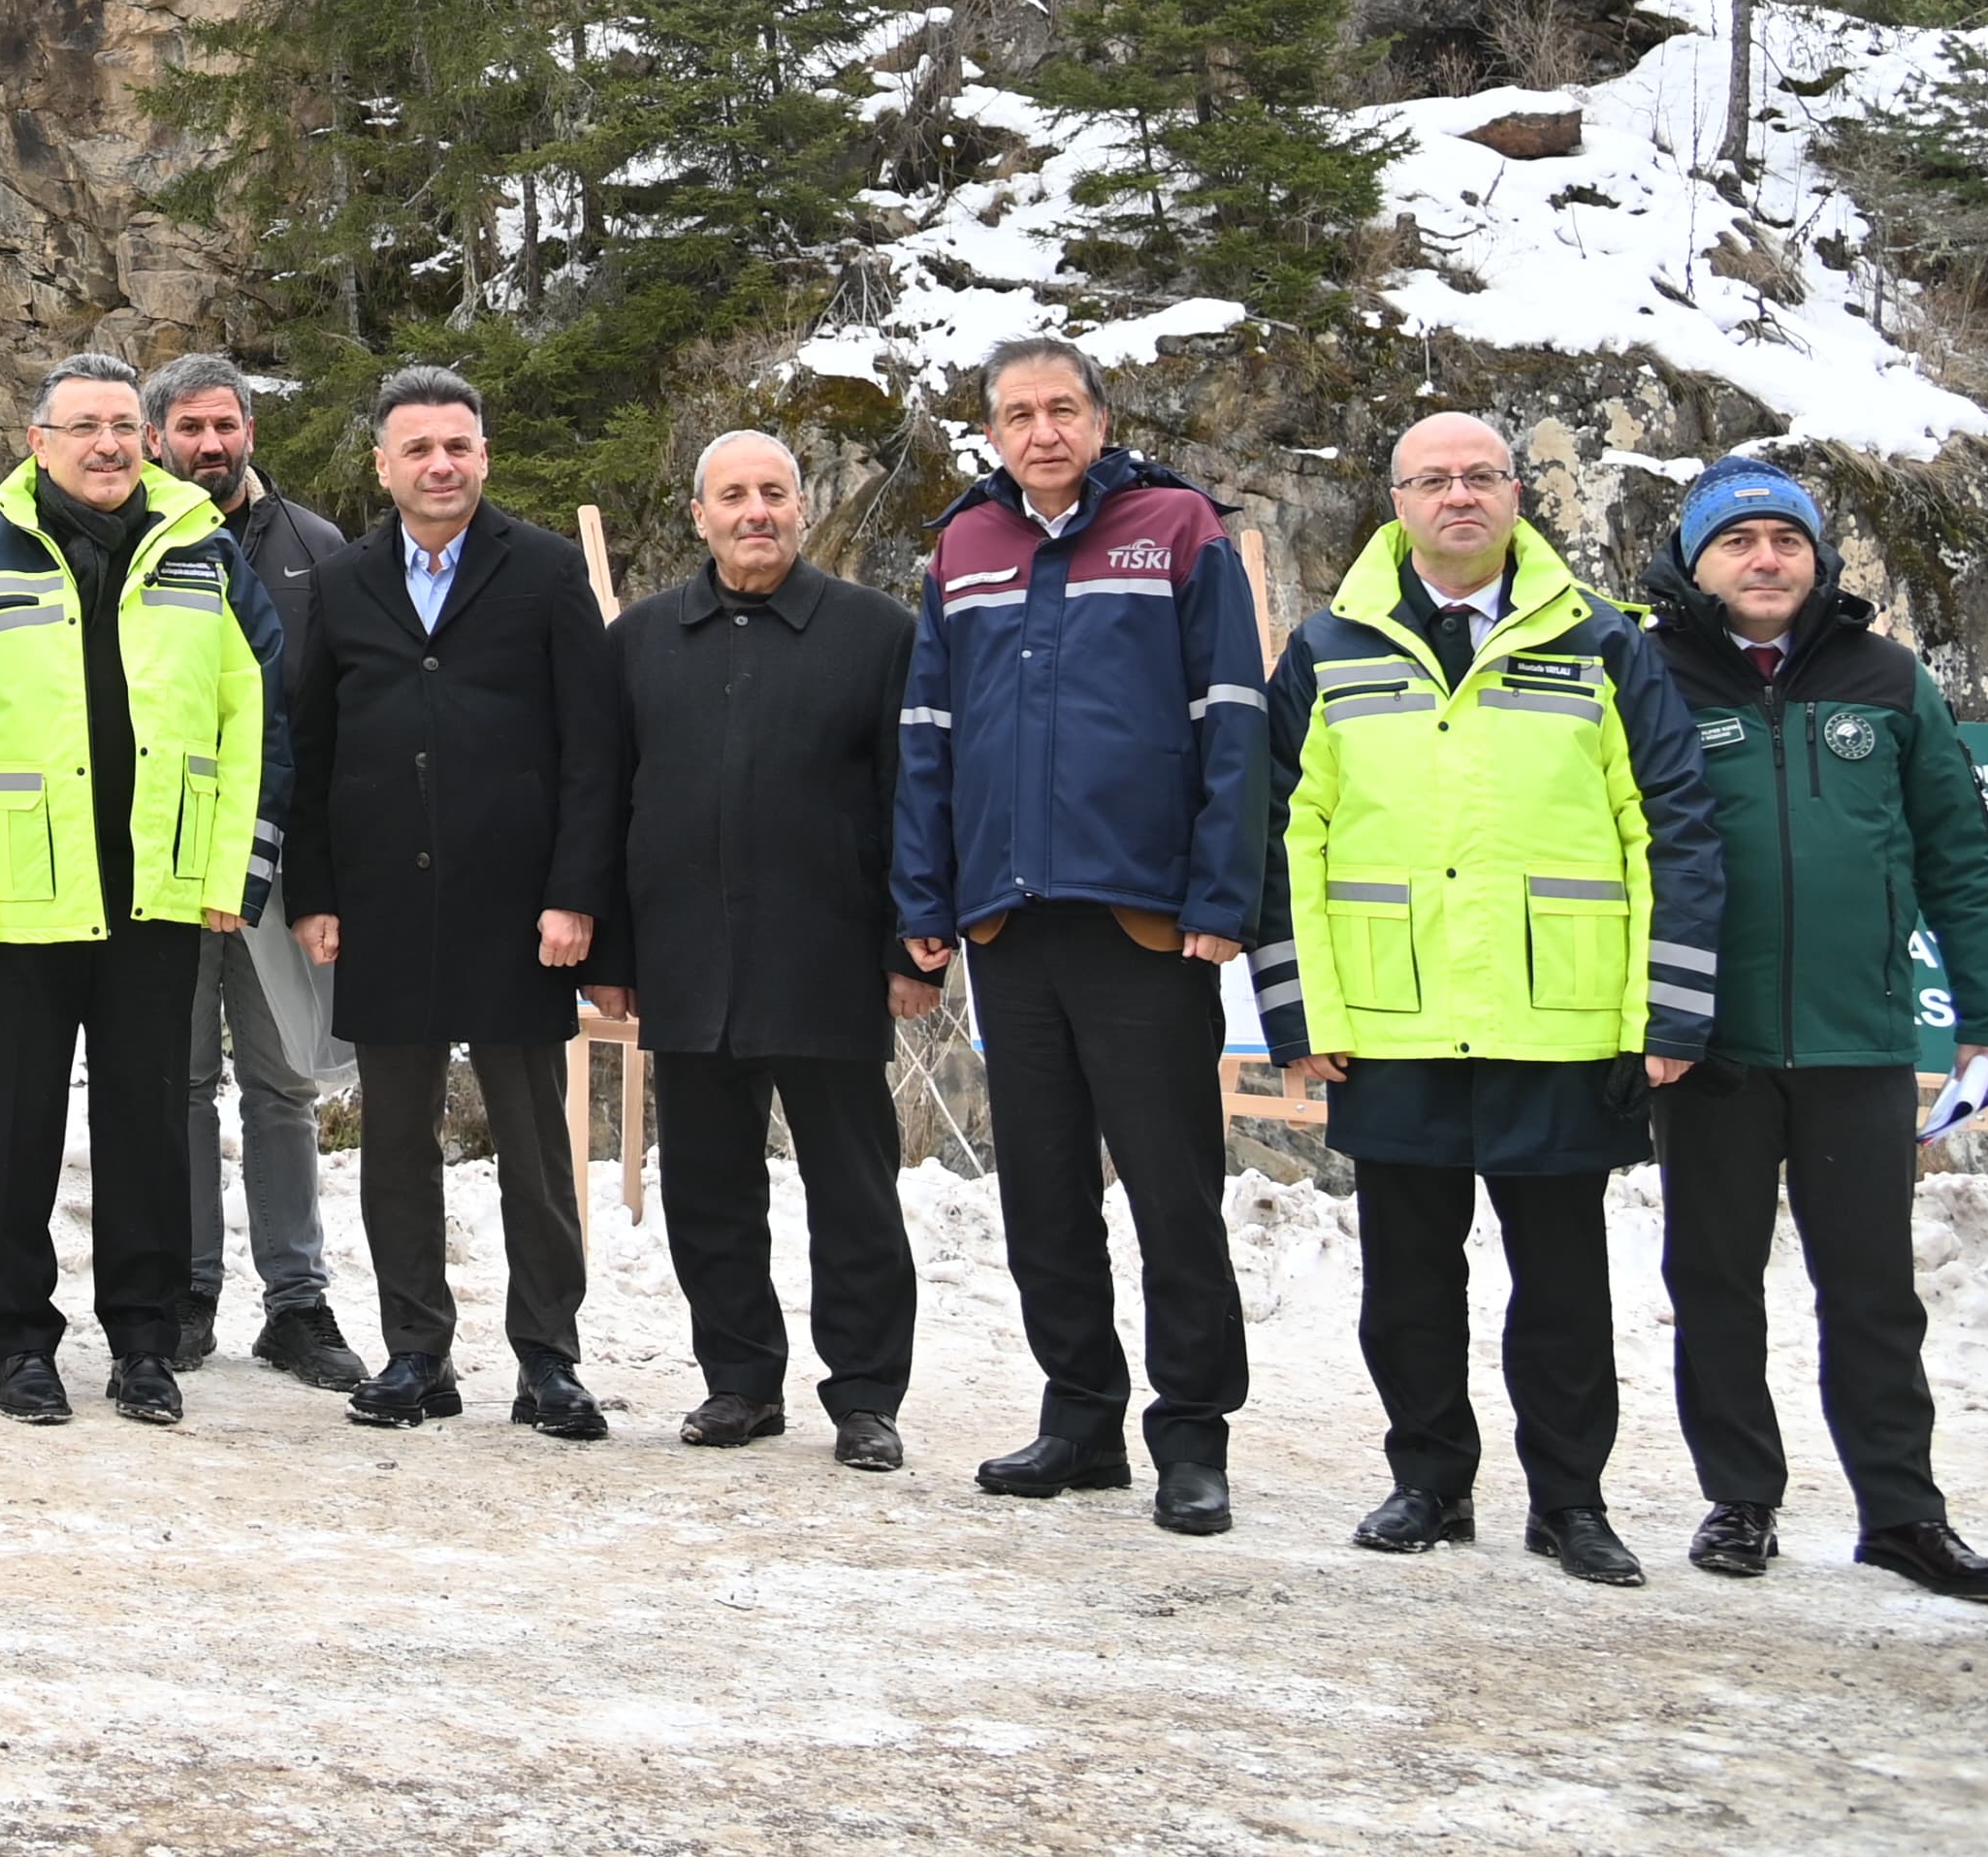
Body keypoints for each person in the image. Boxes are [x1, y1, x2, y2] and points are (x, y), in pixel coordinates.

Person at [1261, 413, 1721, 1586]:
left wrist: (1667, 1009)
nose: (1457, 494)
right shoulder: (1327, 647)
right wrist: (1299, 1012)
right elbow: (1280, 834)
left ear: (1516, 492)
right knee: (1405, 1284)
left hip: (1556, 1019)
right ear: (1396, 500)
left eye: (1479, 475)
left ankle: (1568, 1501)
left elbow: (1670, 825)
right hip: (1391, 1018)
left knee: (1560, 1287)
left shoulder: (1602, 641)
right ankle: (1427, 1482)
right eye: (1432, 478)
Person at [1641, 458, 1988, 1601]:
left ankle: (1902, 1514)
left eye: (1785, 539)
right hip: (1703, 1041)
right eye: (1735, 541)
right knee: (1712, 1279)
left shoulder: (1887, 676)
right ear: (1694, 563)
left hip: (1855, 1038)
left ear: (1816, 559)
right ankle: (1739, 1497)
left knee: (1870, 1290)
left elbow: (1959, 855)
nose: (1763, 558)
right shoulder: (1646, 672)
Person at [893, 335, 1269, 1536]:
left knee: (1170, 1190)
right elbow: (926, 733)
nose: (1041, 430)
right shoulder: (963, 545)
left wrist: (1221, 896)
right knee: (1042, 1191)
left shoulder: (1178, 529)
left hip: (1140, 918)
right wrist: (922, 898)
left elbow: (1233, 717)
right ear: (990, 434)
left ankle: (1191, 1434)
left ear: (1101, 420)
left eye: (1061, 408)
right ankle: (1079, 1416)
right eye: (1017, 413)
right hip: (1007, 919)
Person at [0, 355, 290, 1430]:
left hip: (156, 894)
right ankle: (22, 1344)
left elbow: (257, 715)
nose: (108, 444)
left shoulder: (202, 550)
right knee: (15, 1132)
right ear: (38, 442)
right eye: (83, 426)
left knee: (147, 1133)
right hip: (16, 899)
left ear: (148, 438)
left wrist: (237, 870)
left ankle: (144, 1343)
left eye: (124, 424)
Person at [278, 367, 618, 1444]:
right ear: (383, 464)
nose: (440, 464)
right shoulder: (344, 580)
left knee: (533, 1144)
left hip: (518, 907)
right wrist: (313, 890)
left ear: (483, 455)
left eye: (457, 445)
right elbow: (312, 743)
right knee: (395, 1144)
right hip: (383, 901)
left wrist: (575, 894)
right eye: (418, 447)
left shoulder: (546, 569)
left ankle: (548, 1356)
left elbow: (593, 747)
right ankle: (415, 1350)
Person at [599, 430, 923, 1468]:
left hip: (829, 954)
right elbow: (606, 799)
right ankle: (738, 1380)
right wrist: (612, 949)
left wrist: (910, 945)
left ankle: (866, 1395)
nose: (755, 511)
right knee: (706, 1190)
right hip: (685, 956)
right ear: (698, 514)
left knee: (854, 1193)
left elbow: (913, 799)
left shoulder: (878, 633)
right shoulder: (640, 638)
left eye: (774, 492)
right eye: (733, 494)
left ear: (801, 506)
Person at [141, 350, 365, 1393]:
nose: (209, 444)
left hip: (275, 860)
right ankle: (188, 1288)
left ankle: (296, 1300)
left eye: (224, 424)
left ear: (249, 434)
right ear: (156, 437)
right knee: (179, 1081)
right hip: (169, 861)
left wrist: (322, 866)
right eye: (189, 427)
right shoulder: (135, 540)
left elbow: (336, 716)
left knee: (280, 1084)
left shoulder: (315, 547)